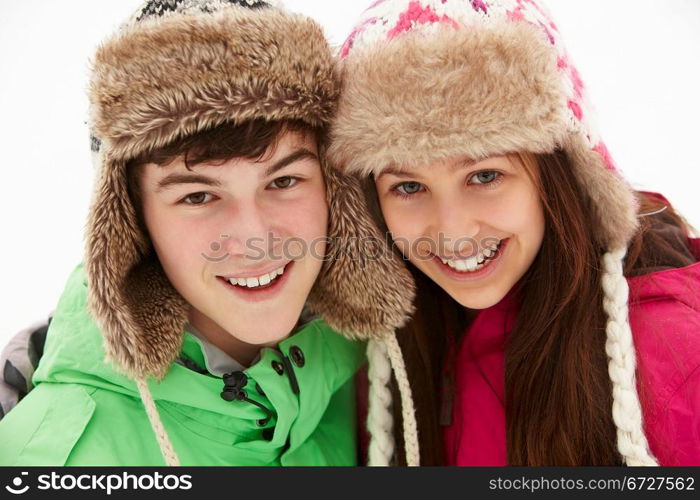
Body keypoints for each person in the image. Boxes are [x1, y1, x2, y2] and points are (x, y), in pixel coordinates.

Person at [0, 0, 416, 466]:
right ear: (132, 224)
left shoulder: (355, 361)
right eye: (198, 197)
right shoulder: (47, 459)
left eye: (283, 181)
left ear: (335, 193)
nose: (254, 235)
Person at [328, 0, 700, 465]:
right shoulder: (389, 352)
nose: (454, 231)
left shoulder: (673, 353)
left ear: (559, 174)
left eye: (484, 176)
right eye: (408, 186)